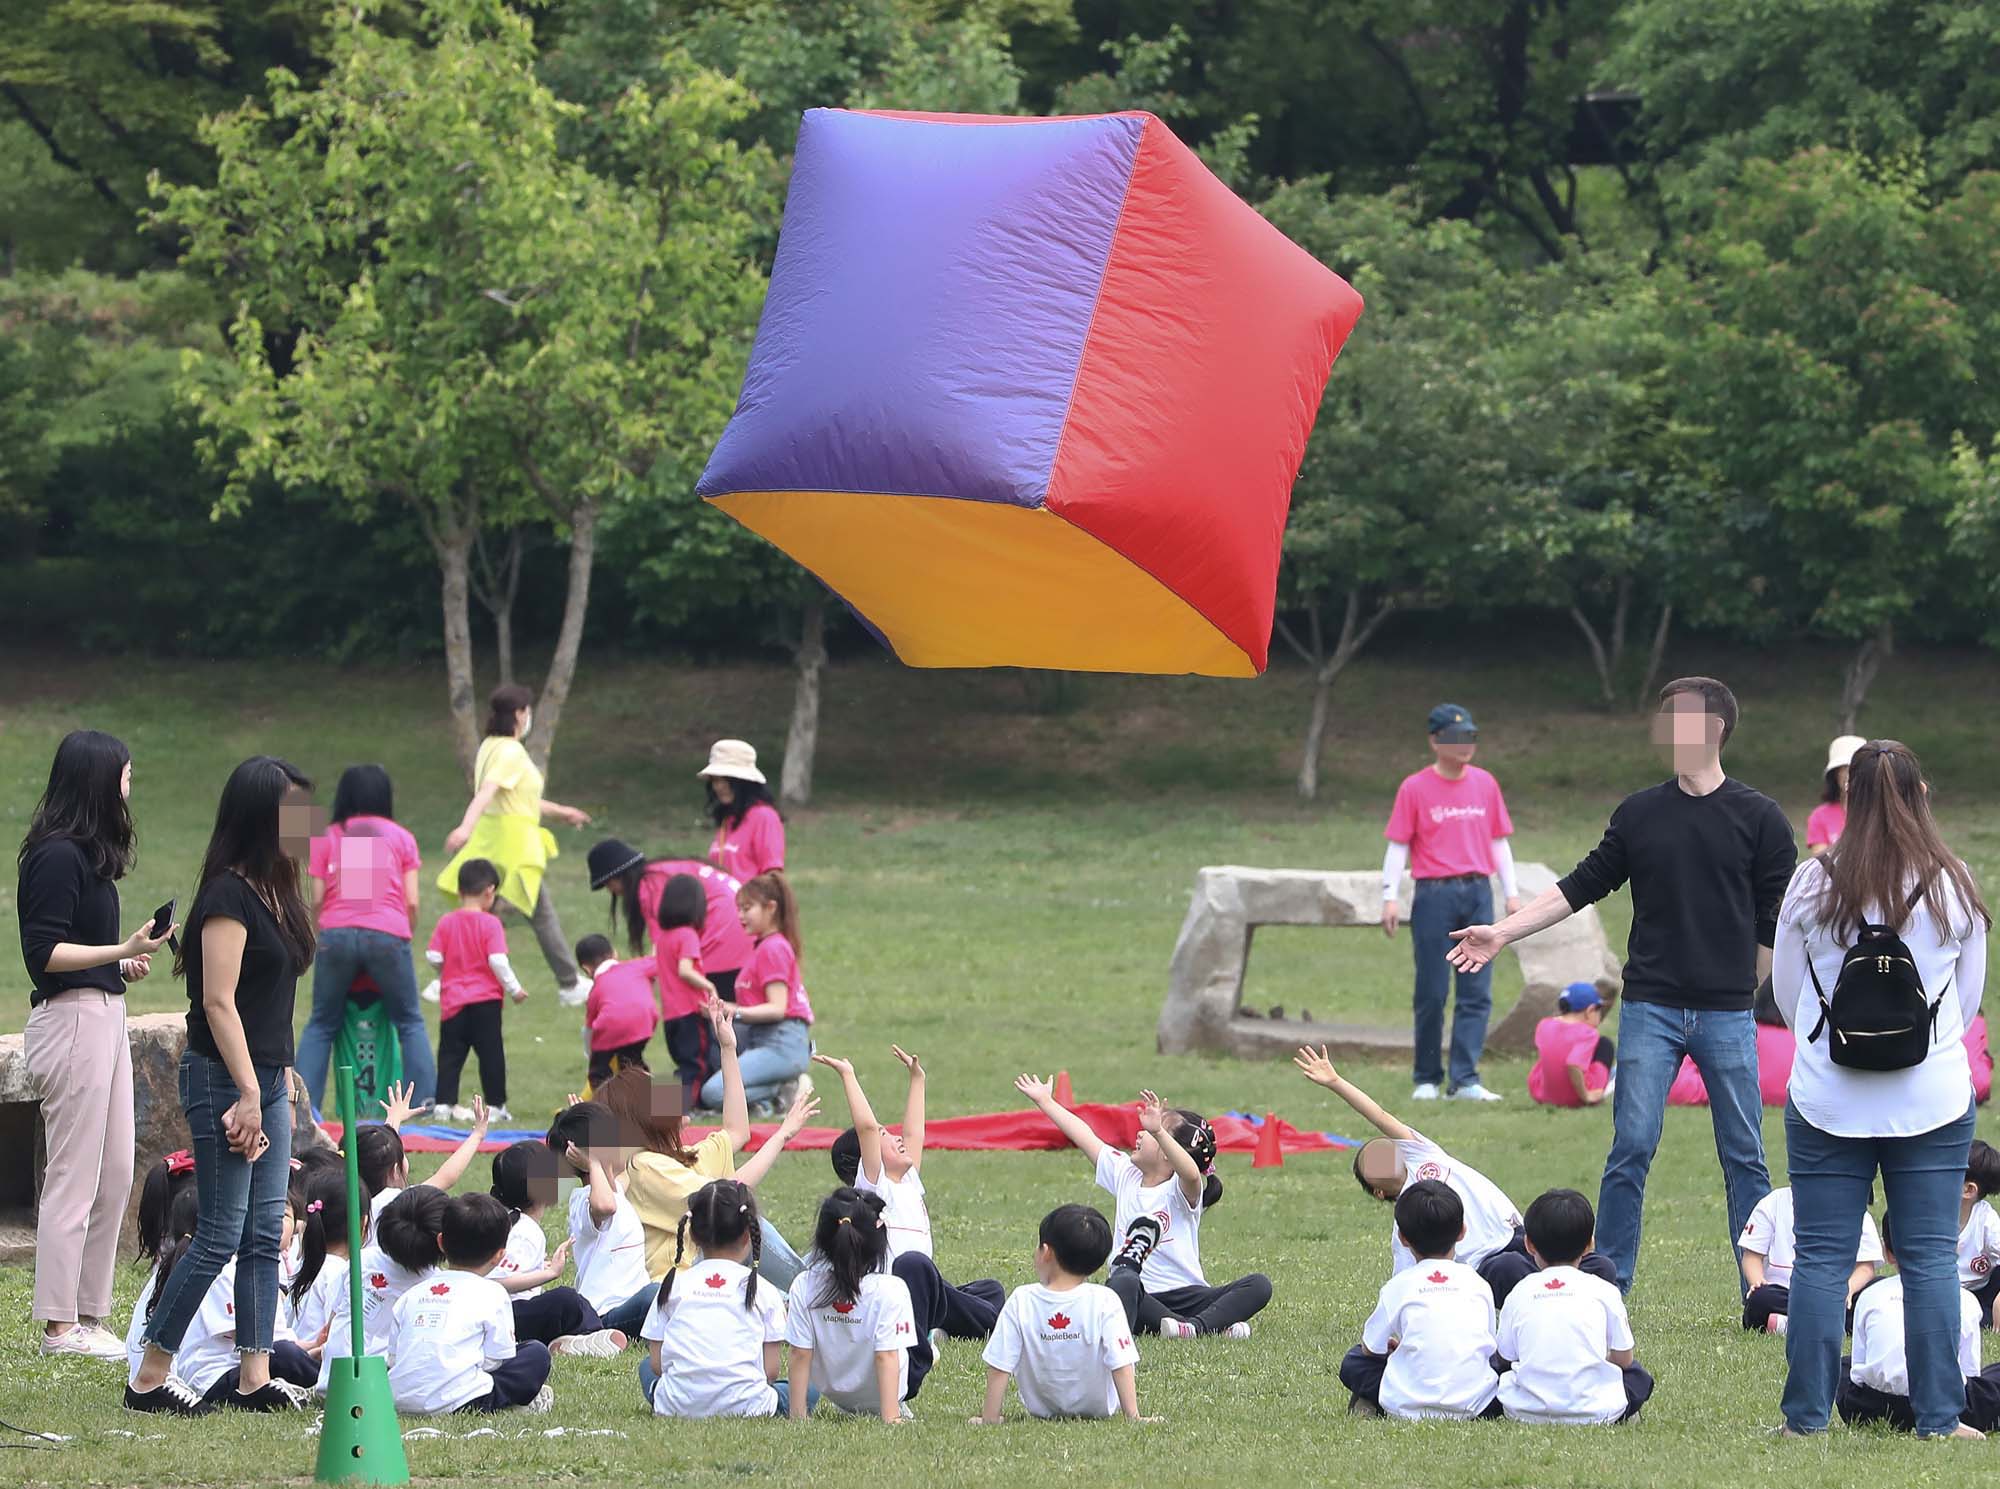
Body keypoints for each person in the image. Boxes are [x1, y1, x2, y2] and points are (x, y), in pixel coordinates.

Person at [1446, 677, 1795, 1292]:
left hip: (1727, 1012)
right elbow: (1579, 885)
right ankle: (1605, 1284)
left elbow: (1778, 919)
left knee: (1745, 1155)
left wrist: (1749, 987)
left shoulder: (1761, 818)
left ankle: (1760, 1290)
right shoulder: (1641, 813)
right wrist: (1502, 932)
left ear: (1716, 729)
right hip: (1651, 1008)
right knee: (1630, 1149)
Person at [1769, 737, 1988, 1438]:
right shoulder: (1953, 882)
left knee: (1822, 1258)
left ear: (1847, 799)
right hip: (1931, 1099)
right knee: (1928, 1259)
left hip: (1828, 1097)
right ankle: (1940, 1416)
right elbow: (1968, 999)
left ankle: (1804, 1418)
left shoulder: (1813, 881)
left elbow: (1788, 993)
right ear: (1922, 794)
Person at [129, 756, 317, 1416]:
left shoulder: (279, 889)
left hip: (266, 1077)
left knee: (267, 1232)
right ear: (263, 815)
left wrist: (278, 1079)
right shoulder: (227, 896)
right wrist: (245, 1092)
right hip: (222, 1078)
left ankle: (254, 1376)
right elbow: (218, 1001)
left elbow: (271, 1001)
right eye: (296, 808)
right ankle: (149, 1375)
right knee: (219, 1231)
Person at [19, 729, 172, 1361]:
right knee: (74, 1177)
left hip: (104, 1012)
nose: (129, 785)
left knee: (112, 1175)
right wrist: (120, 951)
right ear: (98, 780)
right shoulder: (55, 855)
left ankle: (89, 1314)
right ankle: (58, 1325)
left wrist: (119, 968)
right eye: (125, 774)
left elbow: (79, 955)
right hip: (72, 1022)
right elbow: (43, 955)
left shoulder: (87, 855)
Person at [1015, 1075, 1270, 1340]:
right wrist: (1045, 1101)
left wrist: (1159, 1131)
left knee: (1259, 1285)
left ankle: (1196, 1327)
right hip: (1142, 1296)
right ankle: (1208, 1326)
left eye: (1149, 1133)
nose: (1140, 1133)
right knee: (1122, 1279)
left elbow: (1193, 1174)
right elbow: (1084, 1135)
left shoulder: (1180, 1190)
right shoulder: (1125, 1173)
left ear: (1167, 1152)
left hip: (1190, 1294)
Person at [816, 1047, 1005, 1369]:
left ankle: (936, 1323)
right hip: (900, 1293)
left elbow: (915, 1132)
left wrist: (918, 1080)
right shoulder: (874, 1188)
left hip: (926, 1286)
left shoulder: (907, 1181)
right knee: (989, 1316)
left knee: (991, 1289)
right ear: (867, 1155)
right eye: (885, 1136)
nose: (896, 1138)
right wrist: (848, 1075)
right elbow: (865, 1127)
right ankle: (929, 1328)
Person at [601, 1013, 815, 1291]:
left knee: (819, 1256)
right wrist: (782, 1135)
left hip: (707, 1273)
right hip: (680, 1283)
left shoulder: (679, 1158)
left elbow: (737, 1131)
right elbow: (727, 1197)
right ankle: (810, 1294)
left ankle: (809, 1288)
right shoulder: (644, 1166)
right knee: (747, 1224)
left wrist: (728, 1049)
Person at [1380, 703, 1521, 1103]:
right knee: (1432, 989)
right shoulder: (1414, 787)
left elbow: (1499, 841)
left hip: (1477, 891)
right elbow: (1398, 844)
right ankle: (1426, 1077)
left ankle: (1466, 1079)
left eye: (1470, 737)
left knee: (1477, 990)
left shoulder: (1485, 784)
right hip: (1434, 894)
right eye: (1456, 738)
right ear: (1435, 741)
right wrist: (1389, 897)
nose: (1465, 746)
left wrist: (1509, 893)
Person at [439, 684, 593, 1005]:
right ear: (521, 714)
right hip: (514, 847)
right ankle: (568, 984)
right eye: (528, 711)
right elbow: (488, 793)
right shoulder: (510, 752)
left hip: (496, 840)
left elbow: (519, 799)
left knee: (479, 911)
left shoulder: (489, 748)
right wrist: (464, 827)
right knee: (540, 913)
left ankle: (451, 975)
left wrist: (563, 813)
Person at [297, 764, 433, 1113]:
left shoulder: (328, 837)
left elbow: (316, 898)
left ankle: (302, 1106)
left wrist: (323, 934)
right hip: (387, 932)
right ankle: (421, 1105)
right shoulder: (400, 837)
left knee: (322, 1022)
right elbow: (412, 900)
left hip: (336, 932)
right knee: (409, 1020)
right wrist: (400, 936)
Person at [1338, 1180, 1500, 1421]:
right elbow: (1488, 1347)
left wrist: (1394, 1351)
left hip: (1406, 1404)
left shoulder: (1398, 1286)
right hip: (1476, 1404)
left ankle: (1371, 1402)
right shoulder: (1477, 1282)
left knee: (1354, 1362)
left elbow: (1370, 1349)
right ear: (1463, 1232)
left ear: (1403, 1238)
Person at [638, 1179, 798, 1418]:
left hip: (676, 1404)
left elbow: (657, 1364)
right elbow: (770, 1372)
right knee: (808, 1386)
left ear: (692, 1234)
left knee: (644, 1368)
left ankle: (668, 1398)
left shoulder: (675, 1284)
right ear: (748, 1235)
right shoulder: (764, 1290)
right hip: (749, 1404)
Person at [1495, 1189, 1653, 1426]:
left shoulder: (1519, 1292)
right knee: (1638, 1376)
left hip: (1525, 1411)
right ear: (1590, 1244)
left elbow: (1505, 1357)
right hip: (1597, 1411)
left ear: (1528, 1244)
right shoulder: (1604, 1290)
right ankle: (1623, 1414)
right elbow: (1624, 1358)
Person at [976, 1204, 1144, 1423]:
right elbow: (1121, 1362)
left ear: (1046, 1252)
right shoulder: (1105, 1300)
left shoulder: (1022, 1300)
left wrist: (989, 1417)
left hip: (1042, 1411)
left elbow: (1000, 1365)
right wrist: (1134, 1416)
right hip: (1098, 1410)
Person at [387, 1193, 554, 1415]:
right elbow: (496, 1359)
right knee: (536, 1354)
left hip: (397, 1399)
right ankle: (508, 1403)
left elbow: (393, 1358)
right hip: (461, 1400)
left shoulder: (412, 1294)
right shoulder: (494, 1293)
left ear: (441, 1243)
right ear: (499, 1255)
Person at [1839, 1213, 2000, 1431]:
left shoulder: (1871, 1294)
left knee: (1843, 1365)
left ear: (1888, 1253)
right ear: (1951, 1248)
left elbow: (1860, 1364)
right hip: (1949, 1404)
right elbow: (1968, 1371)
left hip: (1871, 1407)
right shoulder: (1964, 1299)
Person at [785, 1187, 921, 1421]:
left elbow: (799, 1353)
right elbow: (886, 1356)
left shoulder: (803, 1286)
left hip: (834, 1393)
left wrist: (798, 1416)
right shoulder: (891, 1290)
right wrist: (891, 1417)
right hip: (885, 1394)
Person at [485, 1141, 626, 1357]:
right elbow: (494, 1284)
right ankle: (596, 1335)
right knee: (566, 1299)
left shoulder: (509, 1221)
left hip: (508, 1316)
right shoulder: (525, 1231)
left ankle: (569, 1342)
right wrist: (549, 1273)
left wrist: (538, 1268)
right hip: (507, 1317)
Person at [699, 872, 814, 1114]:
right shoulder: (764, 947)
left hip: (781, 1042)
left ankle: (781, 1090)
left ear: (771, 908)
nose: (740, 916)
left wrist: (732, 1010)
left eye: (747, 908)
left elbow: (777, 1008)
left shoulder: (773, 948)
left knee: (713, 1092)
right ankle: (769, 1097)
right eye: (738, 908)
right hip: (766, 1039)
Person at [588, 837, 750, 1004]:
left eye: (608, 885)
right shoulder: (661, 871)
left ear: (617, 877)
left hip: (724, 937)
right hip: (745, 931)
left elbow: (662, 951)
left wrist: (623, 975)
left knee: (712, 1013)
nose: (612, 891)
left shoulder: (649, 887)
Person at [547, 1099, 657, 1339]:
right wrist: (594, 1160)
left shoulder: (613, 1189)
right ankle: (593, 1337)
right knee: (657, 1294)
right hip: (606, 1313)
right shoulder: (585, 1201)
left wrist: (588, 1116)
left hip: (628, 1306)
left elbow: (622, 1175)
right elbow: (605, 1206)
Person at [427, 860, 526, 1123]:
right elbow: (497, 960)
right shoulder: (491, 924)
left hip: (453, 1002)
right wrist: (514, 989)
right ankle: (495, 1106)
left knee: (449, 1055)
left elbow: (433, 954)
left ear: (459, 892)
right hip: (486, 1002)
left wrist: (444, 972)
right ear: (489, 892)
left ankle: (443, 1105)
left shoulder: (447, 922)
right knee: (491, 1053)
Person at [1739, 1185, 1882, 1334]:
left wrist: (1848, 1288)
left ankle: (1788, 1325)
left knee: (1878, 1292)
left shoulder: (1854, 1206)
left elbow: (1865, 1268)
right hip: (1786, 1295)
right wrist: (1757, 1282)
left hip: (1838, 1296)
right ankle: (1832, 1326)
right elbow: (1751, 1257)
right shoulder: (1774, 1202)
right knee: (1760, 1300)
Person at [651, 873, 721, 1098]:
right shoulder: (687, 935)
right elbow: (685, 970)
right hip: (690, 1012)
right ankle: (680, 1109)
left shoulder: (662, 938)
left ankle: (661, 1108)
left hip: (670, 1016)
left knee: (683, 1064)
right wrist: (709, 986)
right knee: (696, 1065)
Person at [360, 1186, 449, 1356]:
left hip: (339, 1369)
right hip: (388, 1373)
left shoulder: (361, 1260)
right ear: (444, 1242)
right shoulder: (437, 1288)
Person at [576, 934, 657, 1090]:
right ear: (615, 953)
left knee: (598, 1074)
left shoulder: (596, 989)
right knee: (634, 1063)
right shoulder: (636, 966)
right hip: (645, 1020)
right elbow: (659, 962)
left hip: (611, 1027)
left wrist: (590, 1053)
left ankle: (605, 1110)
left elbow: (589, 1029)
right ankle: (669, 1108)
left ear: (586, 969)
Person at [700, 740, 786, 882]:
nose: (719, 787)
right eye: (715, 780)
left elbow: (773, 875)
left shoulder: (764, 816)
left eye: (726, 780)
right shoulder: (727, 820)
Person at [1527, 983, 1616, 1108]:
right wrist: (1585, 1096)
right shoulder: (1588, 1034)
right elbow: (1573, 1064)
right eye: (1599, 1009)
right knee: (1605, 1045)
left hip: (1543, 1094)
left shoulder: (1544, 1025)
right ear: (1590, 1010)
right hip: (1574, 1098)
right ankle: (1597, 1090)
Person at [1956, 1141, 2000, 1326]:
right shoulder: (1929, 1211)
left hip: (1980, 1292)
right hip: (1940, 1292)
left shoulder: (1985, 1219)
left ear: (1968, 1190)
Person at [1807, 735, 1866, 858]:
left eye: (1855, 768)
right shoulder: (1820, 816)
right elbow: (1821, 863)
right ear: (1835, 774)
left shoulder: (1881, 811)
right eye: (1844, 768)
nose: (1849, 774)